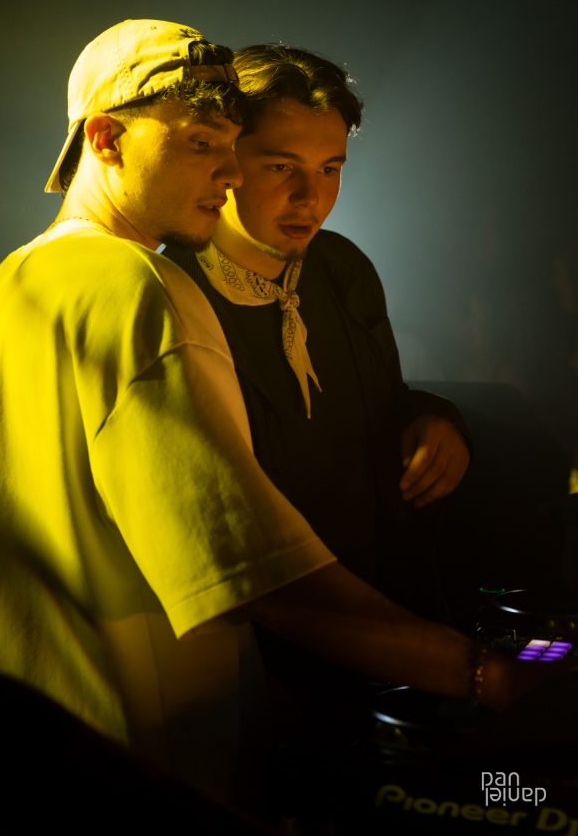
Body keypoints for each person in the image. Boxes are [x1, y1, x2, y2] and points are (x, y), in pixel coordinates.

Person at [0, 19, 562, 818]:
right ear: (106, 138)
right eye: (203, 145)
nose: (227, 173)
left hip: (16, 758)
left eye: (232, 147)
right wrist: (488, 675)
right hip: (141, 765)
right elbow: (255, 575)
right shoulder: (134, 288)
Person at [161, 43, 474, 739]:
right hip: (261, 666)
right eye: (281, 167)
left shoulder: (340, 267)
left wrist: (434, 420)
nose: (312, 198)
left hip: (385, 638)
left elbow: (377, 404)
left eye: (330, 169)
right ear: (225, 158)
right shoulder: (171, 297)